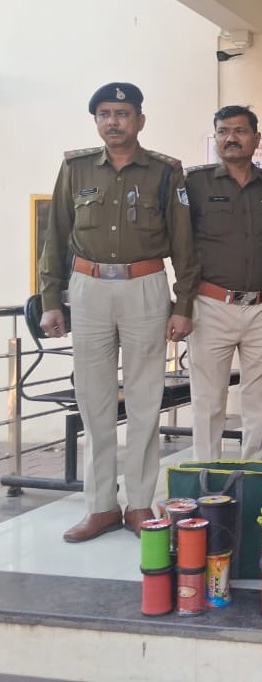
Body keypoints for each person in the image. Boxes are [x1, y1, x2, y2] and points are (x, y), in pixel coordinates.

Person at [38, 82, 200, 541]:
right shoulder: (75, 168)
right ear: (96, 121)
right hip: (87, 288)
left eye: (122, 113)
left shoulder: (166, 172)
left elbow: (185, 245)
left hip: (145, 286)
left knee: (146, 398)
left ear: (140, 120)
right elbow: (56, 236)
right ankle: (101, 506)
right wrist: (51, 299)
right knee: (94, 399)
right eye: (105, 114)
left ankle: (140, 502)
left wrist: (183, 305)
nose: (113, 121)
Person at [185, 105, 262, 461]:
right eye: (223, 131)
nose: (231, 138)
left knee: (259, 401)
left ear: (256, 139)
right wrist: (182, 304)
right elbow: (182, 246)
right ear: (215, 137)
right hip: (211, 304)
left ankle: (253, 474)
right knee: (208, 400)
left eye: (240, 131)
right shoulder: (195, 184)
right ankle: (206, 475)